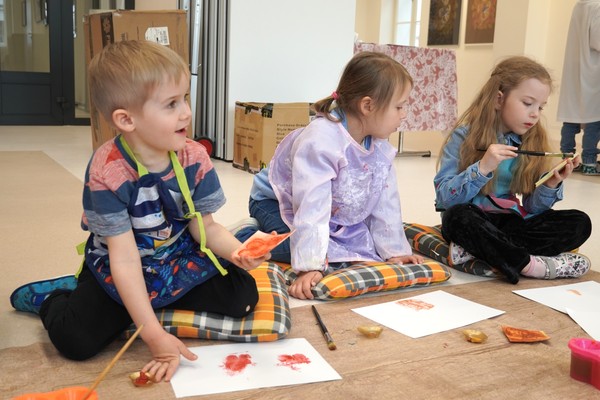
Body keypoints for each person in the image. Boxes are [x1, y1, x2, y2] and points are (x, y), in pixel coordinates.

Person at [10, 40, 269, 382]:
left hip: (176, 256)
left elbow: (204, 228)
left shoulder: (194, 157)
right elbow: (125, 259)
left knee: (243, 297)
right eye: (171, 104)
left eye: (185, 98)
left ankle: (149, 305)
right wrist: (153, 335)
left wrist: (238, 251)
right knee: (75, 339)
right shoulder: (107, 172)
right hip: (121, 264)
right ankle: (56, 296)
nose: (186, 112)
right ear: (126, 119)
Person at [234, 51, 424, 300]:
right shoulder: (322, 140)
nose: (404, 114)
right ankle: (245, 236)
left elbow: (385, 201)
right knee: (316, 253)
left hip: (331, 210)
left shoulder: (379, 146)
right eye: (399, 107)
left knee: (358, 249)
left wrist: (394, 251)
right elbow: (311, 205)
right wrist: (310, 266)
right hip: (276, 202)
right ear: (367, 106)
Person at [434, 56, 592, 284]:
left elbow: (532, 207)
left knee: (579, 222)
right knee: (457, 218)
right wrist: (482, 168)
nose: (535, 114)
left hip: (511, 223)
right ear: (499, 99)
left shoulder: (531, 140)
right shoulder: (463, 137)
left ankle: (486, 251)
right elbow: (445, 199)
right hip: (474, 218)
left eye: (540, 107)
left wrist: (550, 183)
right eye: (527, 103)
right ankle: (529, 265)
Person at [557, 0, 600, 176]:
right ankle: (589, 161)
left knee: (572, 115)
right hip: (592, 70)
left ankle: (566, 159)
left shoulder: (580, 5)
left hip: (575, 67)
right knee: (594, 118)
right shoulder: (597, 6)